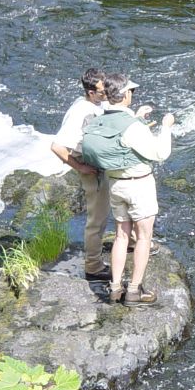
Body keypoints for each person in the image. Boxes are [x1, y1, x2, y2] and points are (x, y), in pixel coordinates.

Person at [96, 73, 174, 306]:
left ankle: (115, 287)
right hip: (138, 185)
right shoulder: (133, 127)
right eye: (131, 91)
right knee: (143, 237)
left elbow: (121, 139)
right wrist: (165, 127)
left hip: (115, 184)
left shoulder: (102, 119)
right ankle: (134, 291)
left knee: (121, 235)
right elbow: (160, 154)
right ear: (126, 94)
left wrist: (138, 119)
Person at [50, 68, 111, 281]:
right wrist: (81, 168)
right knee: (97, 219)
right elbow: (57, 146)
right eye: (103, 91)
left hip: (102, 167)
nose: (107, 94)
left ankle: (126, 243)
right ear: (91, 92)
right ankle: (93, 266)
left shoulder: (97, 104)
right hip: (92, 171)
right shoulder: (81, 112)